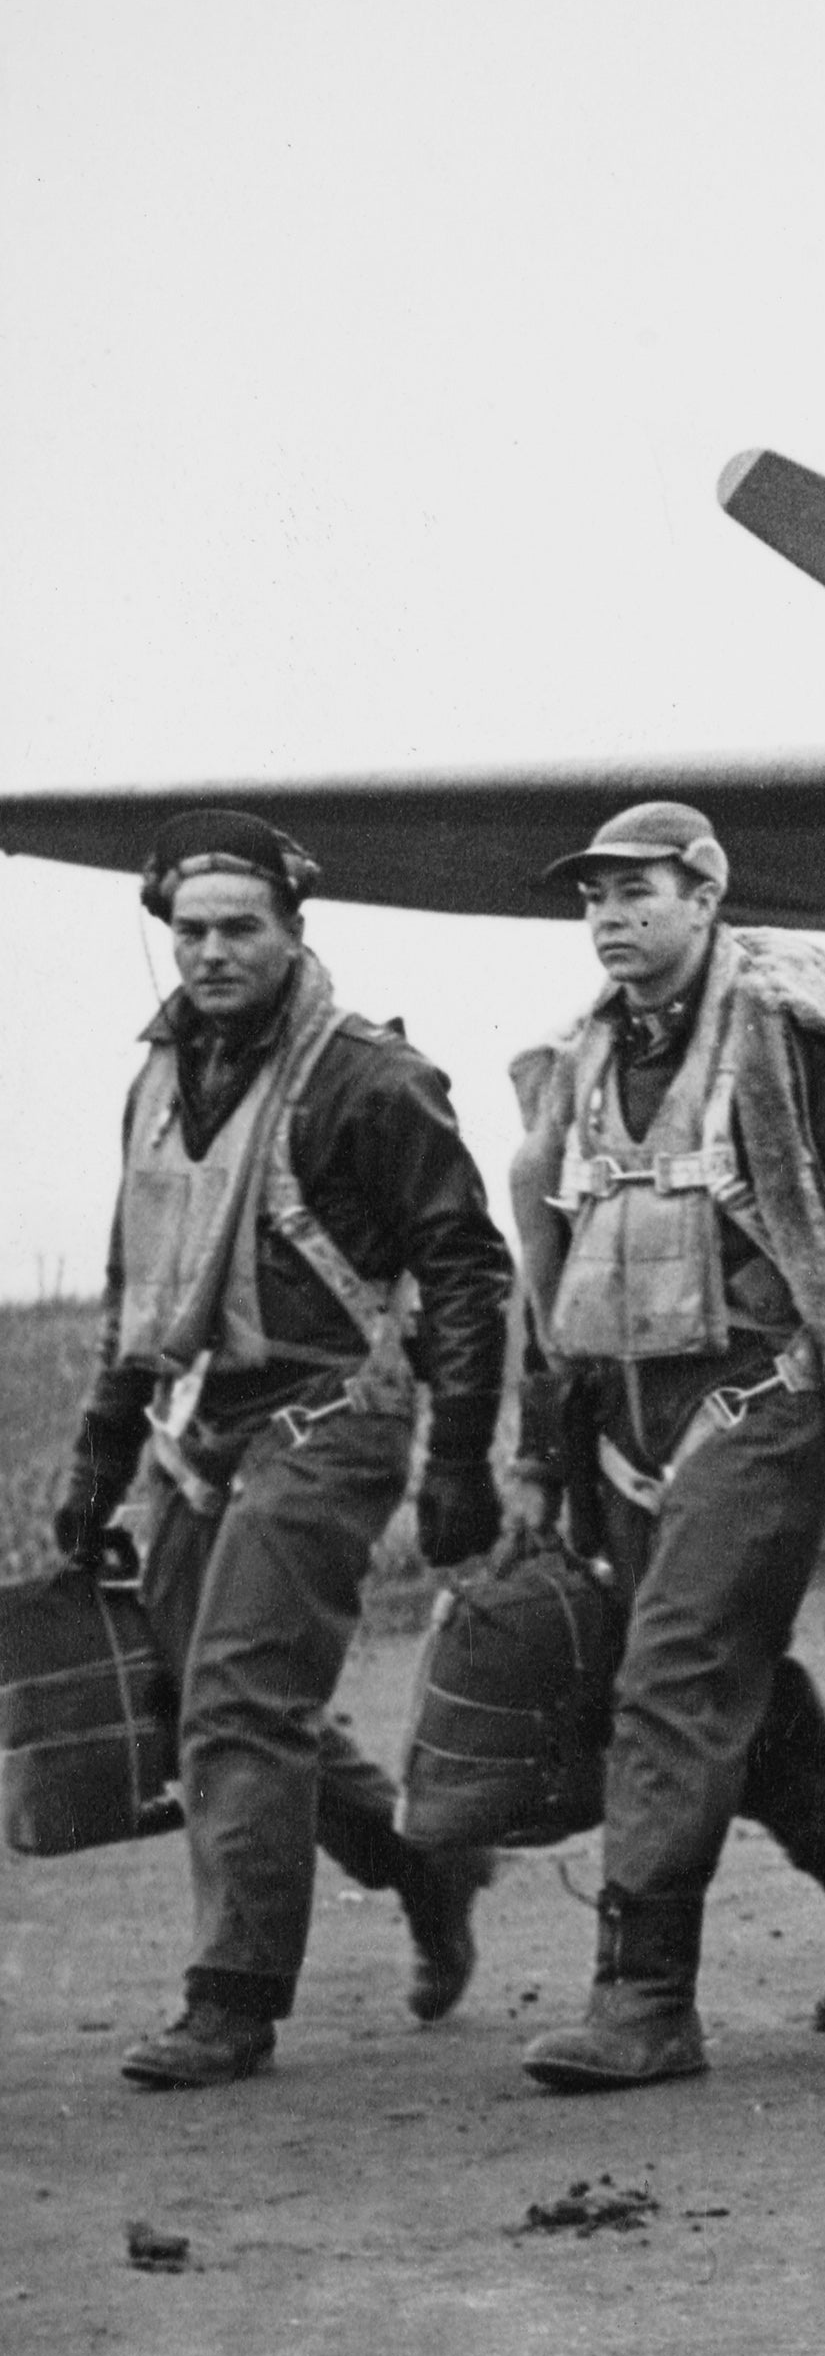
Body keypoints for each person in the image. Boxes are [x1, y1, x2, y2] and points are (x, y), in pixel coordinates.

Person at [502, 803, 825, 2091]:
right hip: (621, 1425)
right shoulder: (578, 1061)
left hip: (756, 1403)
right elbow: (543, 1270)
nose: (609, 915)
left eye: (636, 890)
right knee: (737, 1700)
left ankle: (644, 1999)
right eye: (592, 896)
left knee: (670, 1684)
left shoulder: (812, 1040)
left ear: (706, 895)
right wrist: (542, 1451)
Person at [55, 812, 520, 2088]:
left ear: (293, 931)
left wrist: (462, 1463)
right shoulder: (158, 1083)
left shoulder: (370, 1081)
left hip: (337, 1416)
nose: (211, 953)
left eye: (238, 929)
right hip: (201, 1424)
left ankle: (233, 1997)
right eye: (190, 930)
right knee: (222, 1688)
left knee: (239, 1701)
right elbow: (132, 1284)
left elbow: (469, 1275)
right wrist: (98, 1466)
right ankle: (423, 1862)